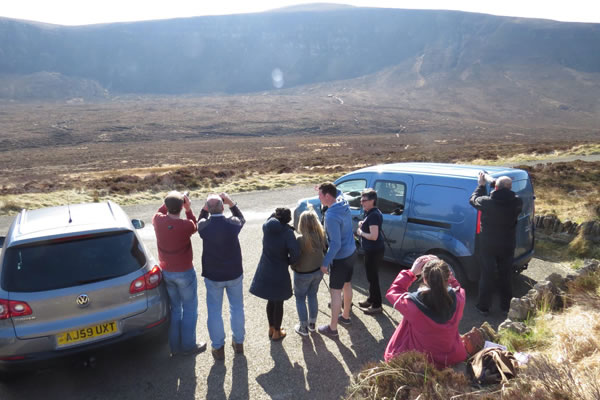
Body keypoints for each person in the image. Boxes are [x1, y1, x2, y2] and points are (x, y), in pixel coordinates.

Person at [384, 255, 467, 369]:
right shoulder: (459, 298)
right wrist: (442, 270)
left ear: (424, 278)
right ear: (447, 277)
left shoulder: (412, 305)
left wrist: (411, 272)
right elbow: (457, 286)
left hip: (422, 359)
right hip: (451, 356)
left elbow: (394, 291)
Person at [152, 191, 207, 357]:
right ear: (181, 207)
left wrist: (174, 198)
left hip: (167, 271)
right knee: (190, 308)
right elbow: (195, 224)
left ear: (167, 206)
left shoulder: (158, 220)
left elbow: (161, 211)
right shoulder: (186, 225)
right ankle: (189, 345)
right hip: (184, 272)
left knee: (175, 309)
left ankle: (174, 347)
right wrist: (188, 207)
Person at [198, 193, 246, 361]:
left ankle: (218, 348)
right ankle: (238, 343)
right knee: (237, 308)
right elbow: (241, 218)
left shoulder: (204, 226)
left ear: (208, 209)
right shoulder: (232, 224)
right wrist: (231, 203)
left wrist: (205, 208)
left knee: (214, 311)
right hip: (233, 273)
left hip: (213, 275)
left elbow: (199, 221)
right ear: (222, 207)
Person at [469, 173, 523, 315]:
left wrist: (481, 185)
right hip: (507, 244)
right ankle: (506, 306)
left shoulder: (487, 202)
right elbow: (507, 195)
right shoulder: (517, 202)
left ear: (497, 188)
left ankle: (483, 307)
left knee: (487, 275)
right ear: (510, 188)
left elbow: (473, 199)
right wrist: (497, 186)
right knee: (505, 275)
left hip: (489, 245)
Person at [250, 208, 300, 341]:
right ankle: (277, 332)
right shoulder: (288, 233)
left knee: (270, 300)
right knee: (279, 301)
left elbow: (270, 218)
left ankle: (271, 327)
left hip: (265, 268)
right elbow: (295, 253)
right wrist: (288, 261)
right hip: (280, 269)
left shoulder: (266, 227)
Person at [317, 182, 357, 338]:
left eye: (320, 195)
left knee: (335, 292)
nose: (318, 197)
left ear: (327, 196)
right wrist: (323, 186)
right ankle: (345, 317)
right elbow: (337, 190)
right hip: (352, 253)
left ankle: (332, 329)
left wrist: (325, 263)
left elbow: (335, 243)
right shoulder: (343, 201)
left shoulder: (331, 215)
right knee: (347, 284)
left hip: (340, 258)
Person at [291, 209, 326, 336]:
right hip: (317, 271)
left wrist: (293, 266)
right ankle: (312, 324)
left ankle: (303, 326)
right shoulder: (321, 235)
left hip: (302, 273)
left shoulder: (300, 239)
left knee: (300, 298)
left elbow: (294, 257)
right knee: (312, 295)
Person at [356, 188, 385, 315]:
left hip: (374, 251)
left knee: (373, 278)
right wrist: (363, 223)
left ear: (372, 201)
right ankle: (371, 299)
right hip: (373, 250)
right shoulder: (372, 212)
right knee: (371, 277)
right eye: (361, 200)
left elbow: (374, 236)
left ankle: (377, 305)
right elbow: (372, 227)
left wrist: (361, 232)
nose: (362, 202)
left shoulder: (373, 215)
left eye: (364, 200)